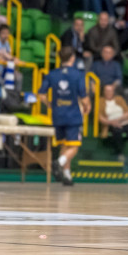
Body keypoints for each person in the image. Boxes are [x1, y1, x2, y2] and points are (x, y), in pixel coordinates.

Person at [39, 47, 90, 186]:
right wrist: (87, 106)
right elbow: (83, 96)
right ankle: (59, 162)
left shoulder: (52, 74)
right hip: (73, 115)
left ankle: (67, 175)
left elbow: (41, 94)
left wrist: (49, 104)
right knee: (74, 147)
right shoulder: (78, 74)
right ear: (72, 57)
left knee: (65, 145)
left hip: (57, 115)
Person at [98, 82, 128, 163]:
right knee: (117, 132)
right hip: (110, 123)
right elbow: (100, 117)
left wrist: (119, 120)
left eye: (111, 91)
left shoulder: (119, 99)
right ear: (104, 92)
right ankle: (120, 154)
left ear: (113, 91)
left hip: (123, 121)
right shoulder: (100, 101)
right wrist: (111, 122)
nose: (109, 93)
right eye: (107, 91)